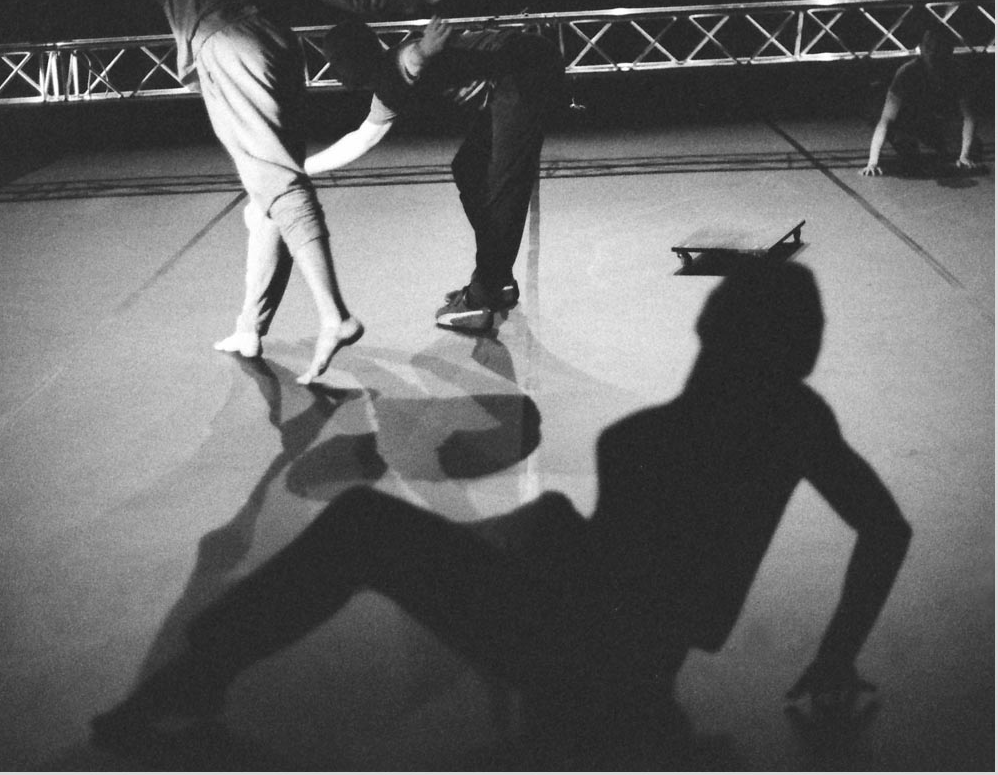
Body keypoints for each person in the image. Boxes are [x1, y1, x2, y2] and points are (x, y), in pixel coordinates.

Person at [90, 262, 912, 766]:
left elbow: (620, 585)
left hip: (580, 664)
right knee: (500, 523)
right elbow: (881, 529)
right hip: (636, 669)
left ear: (713, 329)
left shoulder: (653, 441)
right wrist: (835, 654)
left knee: (362, 527)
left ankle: (196, 676)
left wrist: (546, 543)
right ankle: (198, 676)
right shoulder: (792, 421)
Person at [0, 0, 469, 382]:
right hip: (279, 48)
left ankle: (334, 315)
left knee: (280, 188)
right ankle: (251, 327)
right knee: (268, 200)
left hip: (229, 46)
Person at [304, 14, 565, 333]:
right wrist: (299, 170)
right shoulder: (388, 84)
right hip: (516, 71)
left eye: (336, 63)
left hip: (528, 66)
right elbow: (362, 139)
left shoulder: (397, 65)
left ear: (356, 59)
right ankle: (498, 280)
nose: (334, 73)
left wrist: (426, 49)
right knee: (469, 169)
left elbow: (413, 57)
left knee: (502, 187)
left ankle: (481, 297)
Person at [860, 26, 979, 176]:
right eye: (928, 47)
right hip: (907, 118)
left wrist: (964, 155)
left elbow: (969, 116)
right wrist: (873, 161)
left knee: (974, 148)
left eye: (938, 48)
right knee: (908, 151)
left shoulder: (958, 72)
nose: (933, 53)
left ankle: (933, 140)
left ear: (949, 50)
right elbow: (886, 120)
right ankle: (907, 142)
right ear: (921, 49)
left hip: (934, 119)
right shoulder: (907, 72)